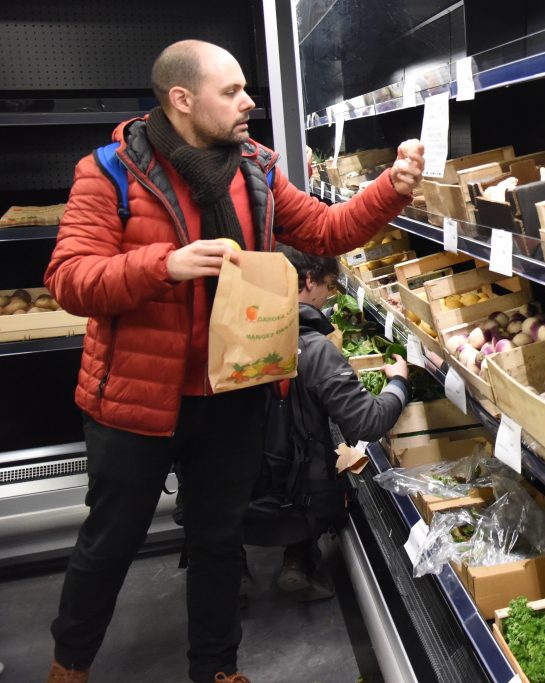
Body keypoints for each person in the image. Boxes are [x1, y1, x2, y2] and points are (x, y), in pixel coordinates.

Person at [43, 39, 423, 683]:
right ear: (182, 99)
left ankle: (216, 669)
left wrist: (392, 188)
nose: (249, 102)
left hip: (233, 391)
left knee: (218, 541)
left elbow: (327, 232)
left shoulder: (257, 170)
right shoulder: (108, 171)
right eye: (232, 92)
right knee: (110, 543)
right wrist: (163, 264)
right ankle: (69, 663)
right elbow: (70, 279)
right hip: (136, 401)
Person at [242, 244, 411, 602]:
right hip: (295, 492)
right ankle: (299, 556)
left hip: (240, 486)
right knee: (319, 451)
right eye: (328, 286)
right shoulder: (316, 350)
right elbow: (368, 422)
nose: (328, 296)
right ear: (307, 281)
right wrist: (398, 382)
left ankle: (232, 574)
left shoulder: (244, 332)